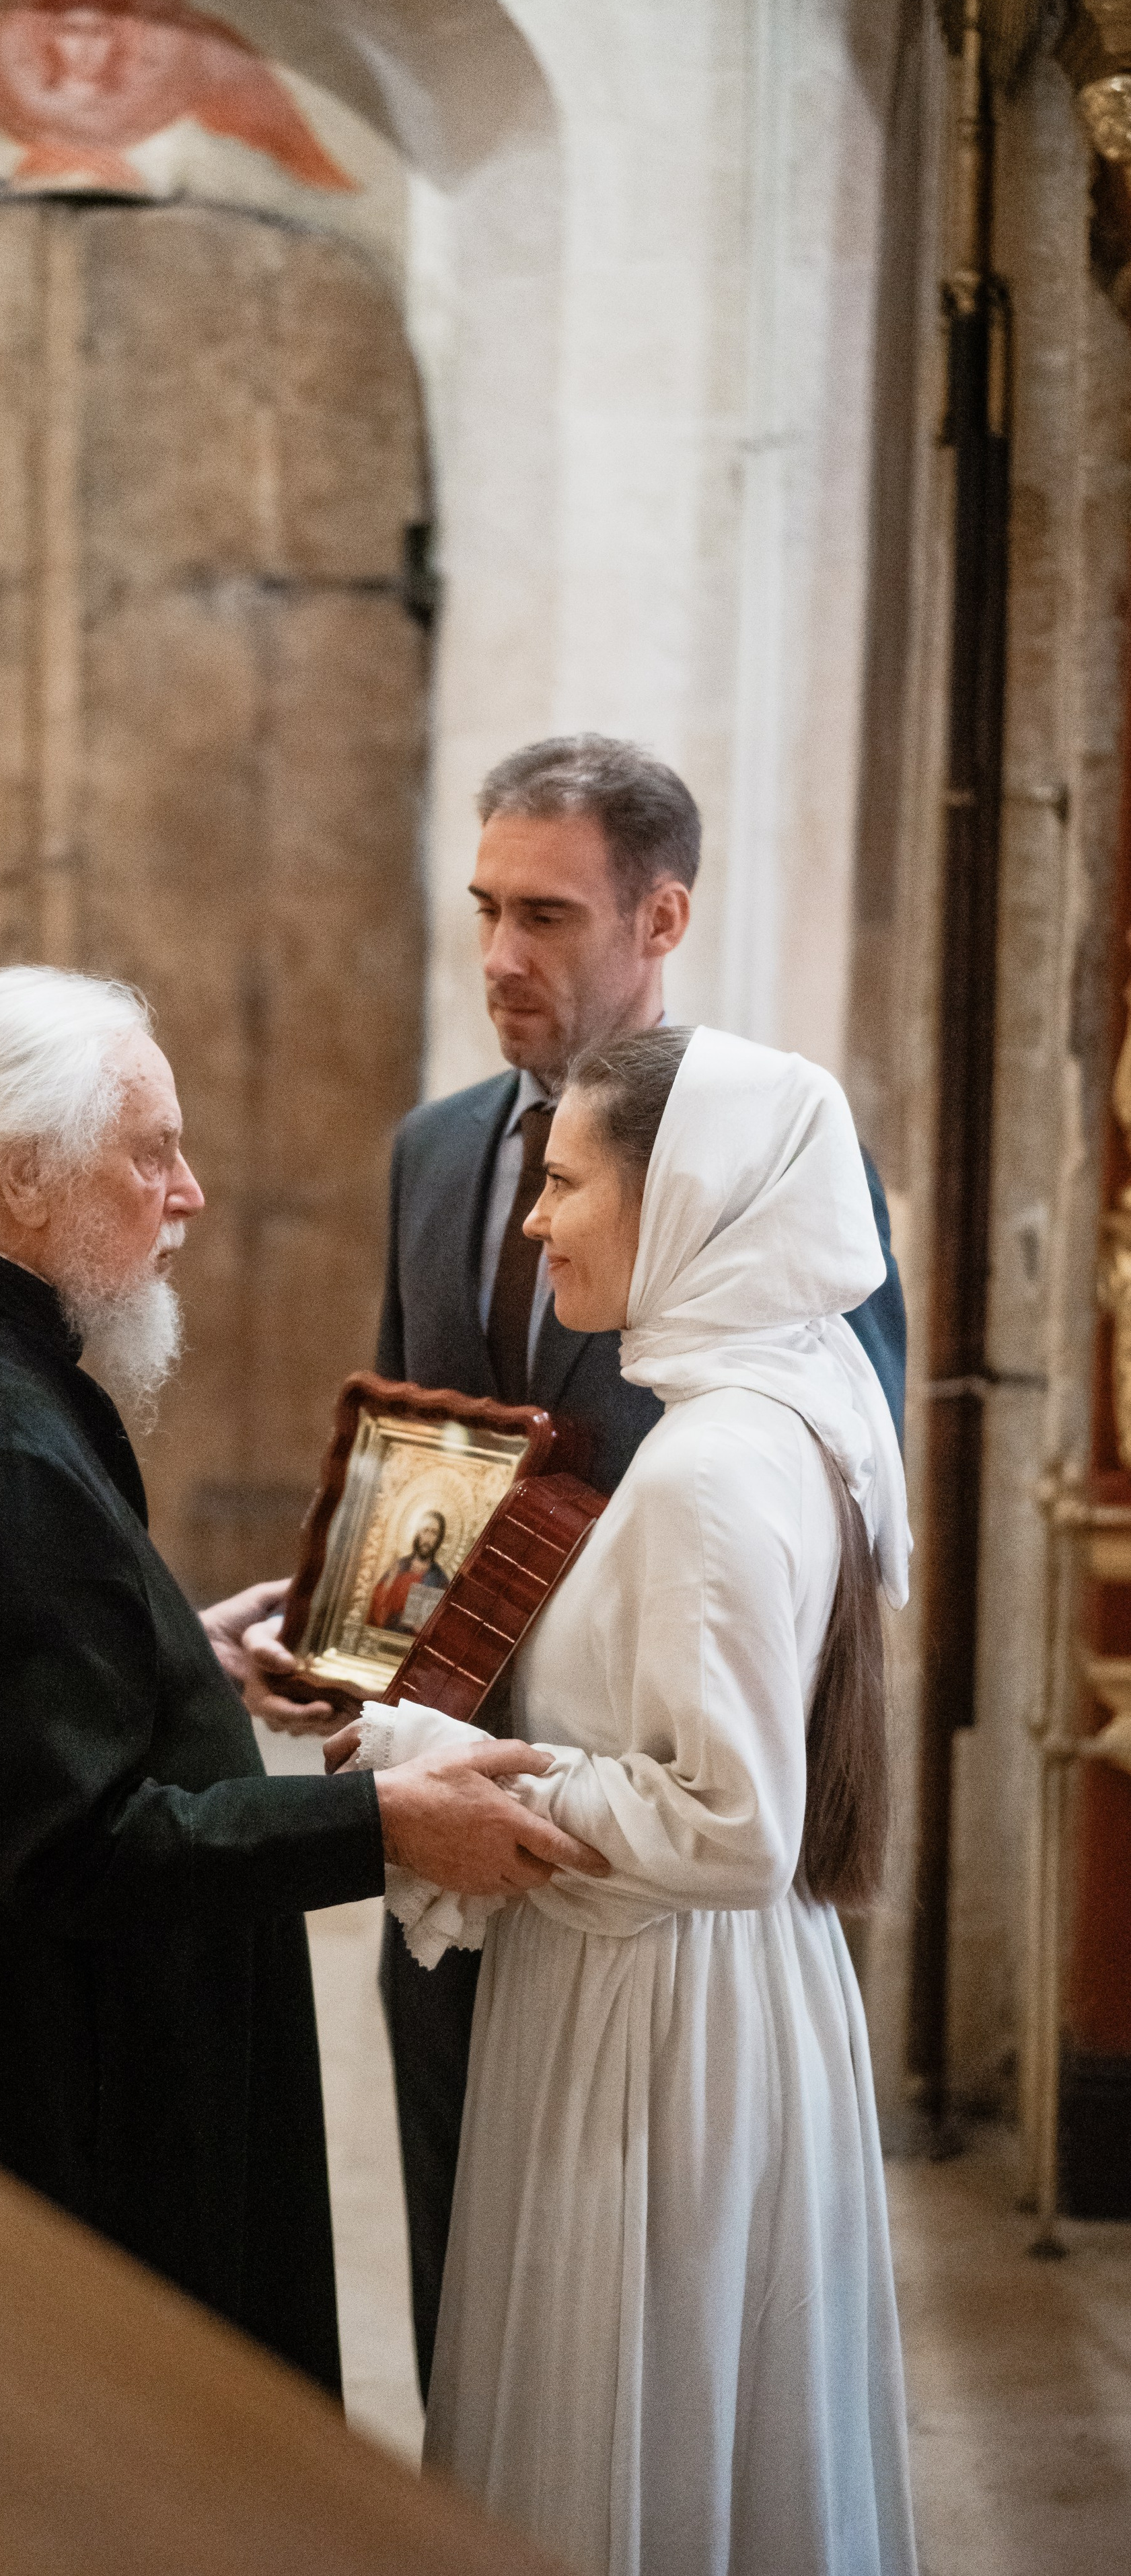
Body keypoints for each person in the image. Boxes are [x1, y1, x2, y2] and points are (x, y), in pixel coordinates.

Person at [0, 964, 599, 2396]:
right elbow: (79, 1844)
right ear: (21, 1178)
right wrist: (384, 1826)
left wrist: (152, 1649)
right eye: (148, 1153)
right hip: (26, 2072)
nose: (187, 1191)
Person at [246, 732, 908, 2398]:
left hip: (637, 1847)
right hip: (450, 1801)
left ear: (658, 915)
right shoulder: (435, 1150)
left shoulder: (772, 1179)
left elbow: (823, 1496)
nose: (496, 957)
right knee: (470, 2283)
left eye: (542, 914)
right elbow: (428, 1462)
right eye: (481, 908)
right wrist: (344, 1643)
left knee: (630, 2329)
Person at [330, 1023, 920, 2575]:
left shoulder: (711, 1468)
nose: (534, 1223)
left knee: (633, 2433)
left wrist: (430, 1769)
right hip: (663, 1985)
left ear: (686, 1201)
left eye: (569, 1183)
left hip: (649, 2017)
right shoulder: (766, 1416)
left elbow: (730, 1822)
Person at [368, 1510, 450, 1633]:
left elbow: (441, 1625)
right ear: (418, 1533)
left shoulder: (440, 1579)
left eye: (434, 1533)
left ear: (439, 1539)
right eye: (425, 1530)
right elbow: (375, 1608)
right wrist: (390, 1583)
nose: (428, 1538)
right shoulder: (399, 1567)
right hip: (386, 1636)